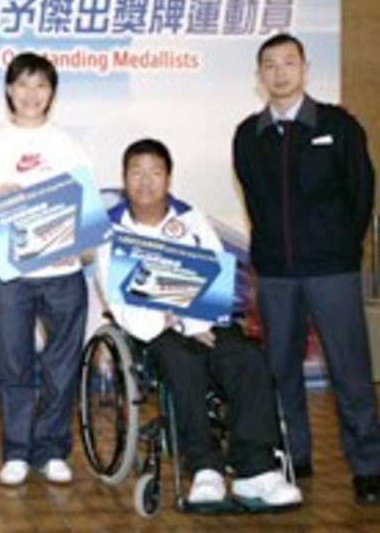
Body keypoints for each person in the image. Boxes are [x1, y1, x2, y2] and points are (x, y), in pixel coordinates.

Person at [97, 138, 303, 508]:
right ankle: (204, 467)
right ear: (124, 178)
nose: (146, 181)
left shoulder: (191, 220)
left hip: (204, 322)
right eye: (136, 172)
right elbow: (116, 298)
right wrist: (168, 319)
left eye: (155, 172)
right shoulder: (110, 230)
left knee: (247, 359)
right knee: (182, 360)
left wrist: (195, 322)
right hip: (153, 329)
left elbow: (213, 278)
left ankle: (255, 470)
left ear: (168, 178)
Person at [233, 32, 380, 505]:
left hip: (332, 271)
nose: (280, 72)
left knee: (350, 372)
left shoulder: (338, 125)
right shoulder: (248, 134)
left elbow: (361, 192)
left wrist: (340, 247)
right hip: (276, 273)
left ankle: (368, 466)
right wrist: (272, 250)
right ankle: (295, 455)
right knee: (281, 371)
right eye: (270, 65)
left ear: (304, 68)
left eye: (289, 63)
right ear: (259, 76)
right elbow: (255, 198)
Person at [0, 52, 90, 486]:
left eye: (40, 85)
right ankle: (17, 451)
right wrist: (0, 201)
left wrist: (70, 238)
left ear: (52, 93)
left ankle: (52, 449)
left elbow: (84, 213)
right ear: (8, 90)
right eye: (23, 84)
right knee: (13, 365)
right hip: (7, 274)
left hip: (63, 271)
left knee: (62, 365)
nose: (31, 94)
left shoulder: (69, 145)